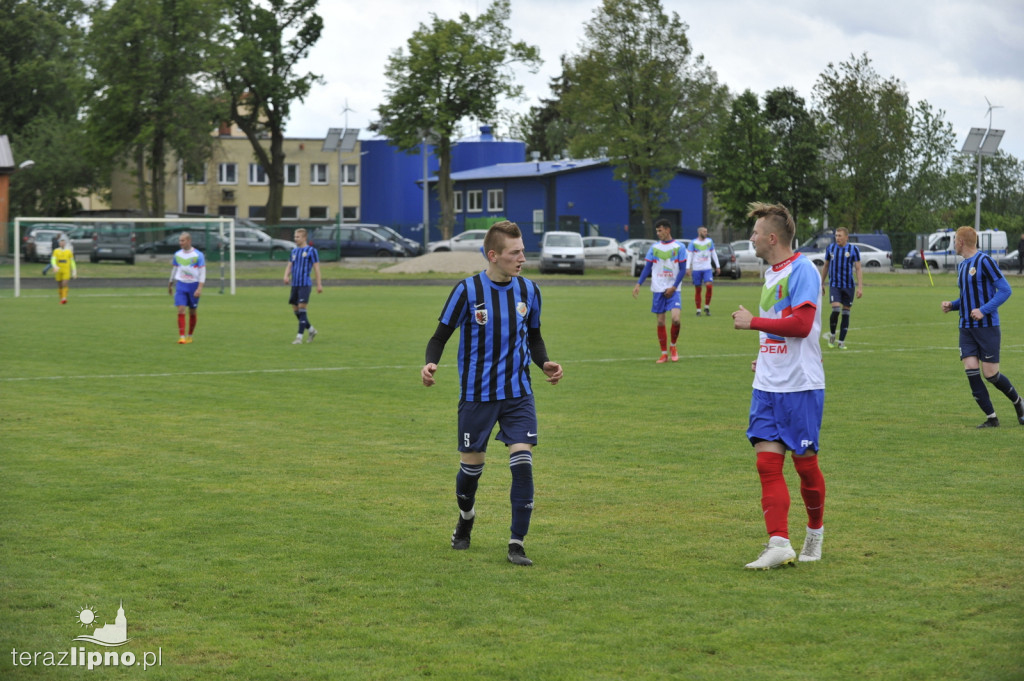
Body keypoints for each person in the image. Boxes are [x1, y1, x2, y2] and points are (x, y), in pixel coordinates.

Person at [421, 220, 563, 566]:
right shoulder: (467, 291)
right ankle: (466, 519)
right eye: (516, 253)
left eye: (523, 252)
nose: (523, 259)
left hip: (518, 394)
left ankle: (516, 543)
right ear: (493, 255)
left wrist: (543, 363)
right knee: (471, 472)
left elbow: (534, 337)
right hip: (476, 396)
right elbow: (440, 336)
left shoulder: (530, 291)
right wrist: (430, 364)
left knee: (523, 465)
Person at [732, 202, 827, 570]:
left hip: (800, 386)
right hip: (768, 384)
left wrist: (753, 322)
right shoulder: (772, 274)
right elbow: (781, 330)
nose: (751, 238)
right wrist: (767, 354)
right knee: (766, 465)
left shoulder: (803, 269)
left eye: (755, 233)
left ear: (772, 238)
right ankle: (779, 543)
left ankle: (815, 534)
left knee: (805, 467)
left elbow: (802, 325)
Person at [941, 226, 1024, 428]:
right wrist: (952, 305)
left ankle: (1019, 403)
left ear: (961, 242)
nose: (953, 244)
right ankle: (992, 418)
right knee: (970, 370)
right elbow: (967, 298)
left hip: (987, 327)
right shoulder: (961, 266)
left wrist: (984, 310)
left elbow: (1005, 290)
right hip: (966, 327)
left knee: (991, 375)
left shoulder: (984, 261)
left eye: (954, 241)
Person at [631, 219, 687, 363]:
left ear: (667, 230)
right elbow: (647, 268)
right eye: (657, 231)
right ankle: (663, 353)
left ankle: (673, 346)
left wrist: (674, 287)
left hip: (674, 289)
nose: (658, 233)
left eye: (660, 230)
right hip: (658, 289)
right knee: (661, 322)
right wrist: (638, 284)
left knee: (676, 319)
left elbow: (682, 270)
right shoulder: (654, 248)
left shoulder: (679, 247)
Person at [819, 227, 863, 349]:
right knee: (836, 310)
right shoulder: (831, 248)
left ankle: (841, 342)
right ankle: (833, 334)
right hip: (834, 285)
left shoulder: (853, 249)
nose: (837, 238)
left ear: (846, 237)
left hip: (849, 286)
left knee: (846, 313)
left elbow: (858, 268)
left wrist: (860, 287)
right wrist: (821, 283)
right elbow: (826, 266)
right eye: (836, 235)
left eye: (840, 236)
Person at [283, 228, 323, 344]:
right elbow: (289, 265)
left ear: (304, 238)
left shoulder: (311, 251)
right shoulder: (294, 252)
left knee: (302, 308)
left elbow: (316, 269)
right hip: (295, 284)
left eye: (298, 237)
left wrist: (319, 284)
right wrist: (286, 276)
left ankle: (299, 337)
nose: (295, 239)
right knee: (296, 311)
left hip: (305, 284)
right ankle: (311, 330)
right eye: (295, 237)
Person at [168, 232, 205, 344]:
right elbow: (174, 269)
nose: (180, 243)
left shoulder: (198, 255)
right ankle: (182, 337)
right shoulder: (177, 254)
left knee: (192, 311)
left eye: (182, 240)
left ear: (189, 241)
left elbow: (202, 272)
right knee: (181, 309)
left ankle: (190, 335)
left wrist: (199, 288)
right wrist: (170, 283)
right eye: (180, 241)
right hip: (181, 284)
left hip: (193, 285)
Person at [688, 226, 720, 316]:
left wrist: (718, 266)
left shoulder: (709, 241)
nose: (706, 233)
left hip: (707, 268)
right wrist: (688, 267)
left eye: (706, 231)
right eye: (704, 231)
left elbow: (713, 254)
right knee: (698, 289)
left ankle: (706, 307)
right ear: (699, 232)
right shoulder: (693, 242)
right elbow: (689, 255)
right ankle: (698, 309)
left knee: (709, 286)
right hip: (696, 269)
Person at [50, 235, 77, 304]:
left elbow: (72, 261)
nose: (62, 243)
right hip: (58, 270)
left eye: (63, 242)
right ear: (59, 243)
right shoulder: (56, 251)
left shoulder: (69, 252)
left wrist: (74, 270)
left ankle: (64, 298)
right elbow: (53, 259)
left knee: (64, 283)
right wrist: (55, 266)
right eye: (61, 242)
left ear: (65, 243)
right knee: (59, 285)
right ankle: (61, 298)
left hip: (66, 270)